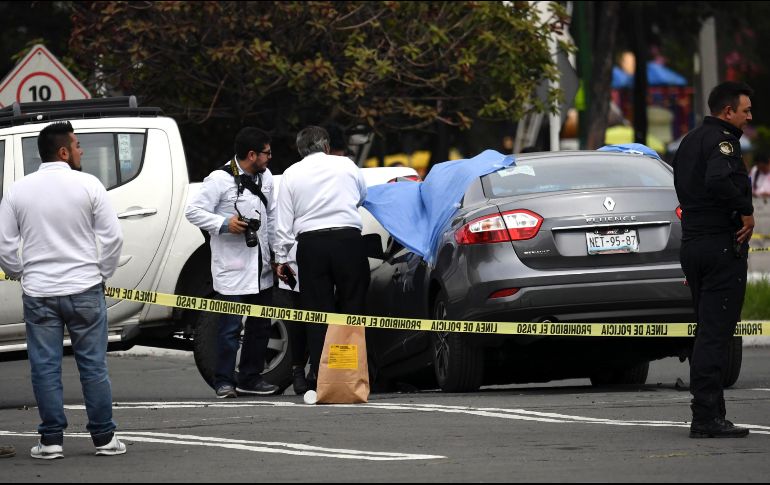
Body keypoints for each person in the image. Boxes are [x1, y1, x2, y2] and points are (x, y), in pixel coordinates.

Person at [0, 121, 126, 458]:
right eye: (77, 144)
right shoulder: (88, 185)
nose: (81, 150)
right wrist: (102, 272)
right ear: (63, 151)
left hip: (40, 292)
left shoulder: (17, 190)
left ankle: (51, 440)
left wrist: (20, 272)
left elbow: (5, 244)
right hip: (85, 287)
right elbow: (113, 238)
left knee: (45, 367)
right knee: (93, 366)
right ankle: (104, 438)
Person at [672, 81, 754, 439]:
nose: (750, 117)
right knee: (716, 335)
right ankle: (705, 416)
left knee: (706, 330)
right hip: (720, 245)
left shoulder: (688, 140)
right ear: (727, 112)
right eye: (746, 110)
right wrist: (746, 211)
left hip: (693, 246)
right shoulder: (723, 141)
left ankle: (711, 410)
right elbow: (719, 178)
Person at [185, 127, 279, 398]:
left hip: (260, 263)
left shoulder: (266, 178)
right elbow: (193, 211)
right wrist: (224, 224)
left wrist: (277, 255)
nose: (270, 157)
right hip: (232, 265)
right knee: (229, 328)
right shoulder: (219, 179)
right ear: (252, 155)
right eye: (267, 153)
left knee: (260, 325)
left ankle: (250, 377)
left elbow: (271, 218)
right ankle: (223, 380)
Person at [274, 126, 370, 390]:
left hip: (311, 244)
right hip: (348, 240)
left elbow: (283, 223)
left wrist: (282, 258)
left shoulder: (291, 174)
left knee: (317, 313)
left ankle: (322, 378)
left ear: (300, 150)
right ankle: (352, 375)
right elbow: (362, 196)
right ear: (326, 146)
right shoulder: (346, 166)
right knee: (353, 307)